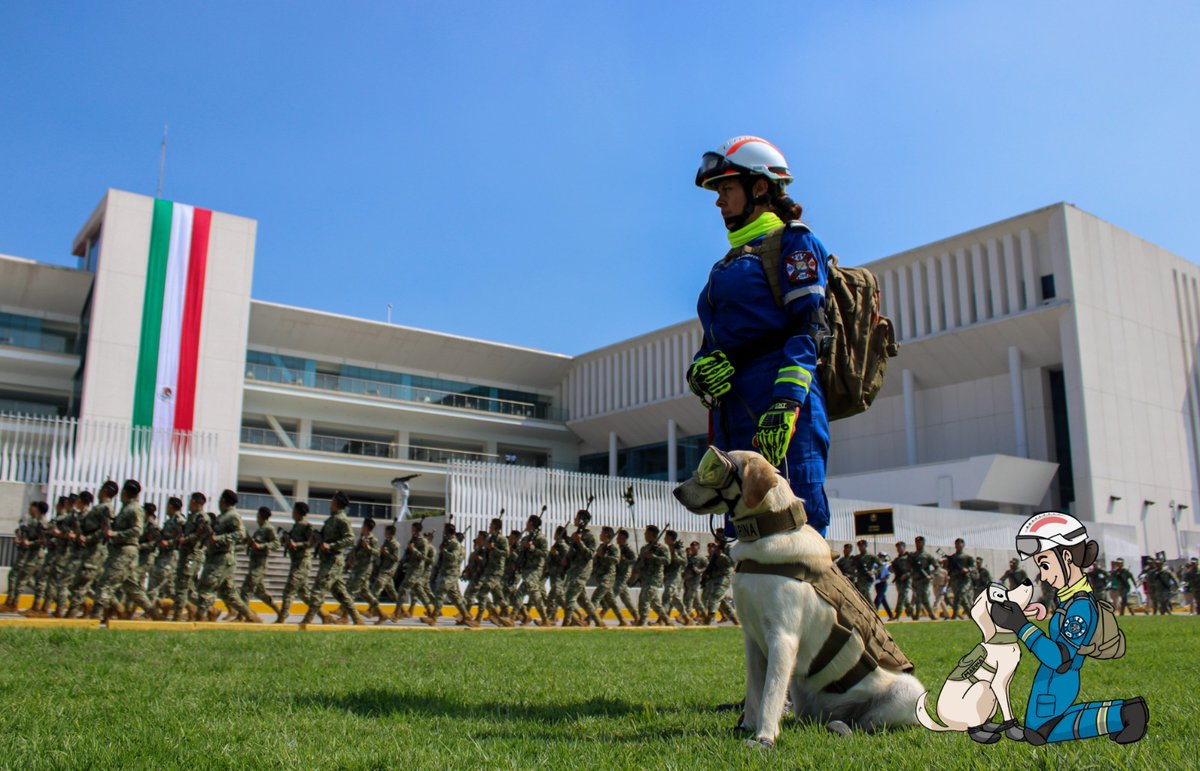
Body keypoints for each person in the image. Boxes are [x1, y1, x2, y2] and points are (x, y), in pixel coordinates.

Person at [689, 136, 832, 538]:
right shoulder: (724, 265)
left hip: (783, 406)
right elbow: (715, 342)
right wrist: (700, 368)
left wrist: (786, 405)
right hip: (733, 410)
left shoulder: (793, 241)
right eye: (717, 192)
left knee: (794, 528)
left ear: (760, 188)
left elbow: (811, 329)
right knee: (745, 531)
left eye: (726, 189)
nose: (719, 201)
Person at [989, 512, 1147, 745]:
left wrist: (1020, 625)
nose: (1042, 575)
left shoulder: (1080, 607)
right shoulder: (1069, 600)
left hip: (1060, 677)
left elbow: (1060, 658)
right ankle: (1124, 714)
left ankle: (1125, 714)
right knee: (1037, 729)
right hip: (1051, 678)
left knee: (1041, 732)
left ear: (1066, 556)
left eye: (1044, 564)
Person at [93, 480, 163, 622]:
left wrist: (115, 534)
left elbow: (137, 530)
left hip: (124, 551)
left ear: (125, 493)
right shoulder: (126, 508)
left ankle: (95, 617)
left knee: (105, 584)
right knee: (133, 588)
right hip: (121, 551)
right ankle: (155, 615)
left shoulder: (134, 509)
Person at [194, 490, 260, 623]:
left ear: (223, 500)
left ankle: (200, 619)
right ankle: (252, 617)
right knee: (228, 594)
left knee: (205, 588)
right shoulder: (222, 516)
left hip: (222, 559)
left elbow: (241, 534)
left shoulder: (232, 516)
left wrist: (219, 539)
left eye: (220, 499)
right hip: (216, 556)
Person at [299, 492, 364, 625]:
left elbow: (350, 538)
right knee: (341, 594)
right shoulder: (331, 519)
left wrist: (332, 546)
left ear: (336, 503)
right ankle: (358, 619)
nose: (330, 504)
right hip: (328, 560)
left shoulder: (341, 519)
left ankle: (306, 622)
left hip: (333, 561)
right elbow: (325, 538)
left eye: (332, 501)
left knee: (318, 589)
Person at [66, 483, 117, 618]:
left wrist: (88, 538)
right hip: (91, 550)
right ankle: (116, 607)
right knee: (93, 584)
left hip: (96, 551)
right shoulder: (99, 507)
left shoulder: (105, 508)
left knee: (81, 583)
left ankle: (71, 615)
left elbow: (105, 529)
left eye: (101, 489)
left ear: (105, 491)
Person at [424, 524, 474, 627]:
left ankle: (434, 617)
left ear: (448, 531)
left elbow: (454, 557)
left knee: (441, 592)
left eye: (445, 530)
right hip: (446, 572)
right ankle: (466, 615)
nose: (443, 532)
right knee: (454, 596)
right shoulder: (448, 542)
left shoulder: (455, 543)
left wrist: (444, 551)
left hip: (451, 573)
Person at [170, 492, 210, 621]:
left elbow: (199, 535)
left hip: (193, 555)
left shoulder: (202, 518)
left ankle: (177, 615)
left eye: (191, 501)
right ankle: (209, 610)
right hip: (185, 554)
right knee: (189, 588)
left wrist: (184, 540)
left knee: (182, 585)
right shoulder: (191, 517)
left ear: (195, 502)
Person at [561, 510, 601, 627]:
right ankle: (599, 621)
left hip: (583, 570)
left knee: (570, 596)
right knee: (583, 600)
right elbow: (573, 551)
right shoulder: (577, 534)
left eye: (577, 518)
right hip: (574, 570)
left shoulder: (591, 536)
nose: (575, 520)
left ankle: (566, 623)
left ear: (583, 521)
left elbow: (590, 555)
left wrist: (580, 542)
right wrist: (566, 559)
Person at [277, 502, 315, 623]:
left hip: (302, 562)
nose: (292, 513)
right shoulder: (296, 526)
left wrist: (296, 544)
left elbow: (312, 543)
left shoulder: (306, 526)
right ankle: (324, 615)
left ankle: (282, 617)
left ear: (298, 512)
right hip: (296, 562)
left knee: (289, 589)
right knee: (303, 594)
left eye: (294, 510)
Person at [240, 507, 281, 619]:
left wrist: (261, 546)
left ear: (261, 515)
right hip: (254, 564)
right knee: (260, 593)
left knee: (246, 590)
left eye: (258, 515)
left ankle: (243, 616)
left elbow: (276, 543)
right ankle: (280, 612)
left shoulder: (268, 528)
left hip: (259, 565)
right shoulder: (260, 529)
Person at [147, 497, 183, 608]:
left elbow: (181, 538)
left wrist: (168, 543)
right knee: (170, 588)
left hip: (169, 556)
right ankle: (191, 607)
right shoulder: (170, 520)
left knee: (154, 584)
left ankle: (150, 612)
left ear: (171, 506)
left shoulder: (179, 520)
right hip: (164, 555)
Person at [632, 524, 671, 626]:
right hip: (645, 578)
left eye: (646, 533)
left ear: (651, 534)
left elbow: (667, 561)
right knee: (655, 603)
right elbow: (639, 561)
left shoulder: (662, 547)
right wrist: (635, 571)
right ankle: (667, 620)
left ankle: (642, 620)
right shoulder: (644, 548)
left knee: (644, 598)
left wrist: (653, 556)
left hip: (654, 577)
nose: (645, 535)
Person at [344, 517, 382, 621]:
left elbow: (377, 553)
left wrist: (367, 547)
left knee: (351, 592)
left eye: (362, 526)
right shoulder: (361, 538)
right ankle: (381, 614)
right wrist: (349, 561)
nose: (361, 528)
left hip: (364, 569)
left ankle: (345, 617)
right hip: (357, 567)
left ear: (365, 527)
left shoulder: (373, 540)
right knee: (365, 593)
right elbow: (355, 551)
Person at [514, 514, 549, 625]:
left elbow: (544, 553)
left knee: (520, 592)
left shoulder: (541, 538)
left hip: (536, 570)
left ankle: (511, 617)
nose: (526, 524)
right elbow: (520, 551)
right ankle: (545, 620)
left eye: (528, 522)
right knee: (535, 595)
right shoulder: (526, 538)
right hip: (526, 570)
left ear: (531, 524)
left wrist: (532, 548)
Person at [590, 526, 624, 627]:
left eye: (602, 533)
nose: (600, 535)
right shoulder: (601, 546)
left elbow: (616, 560)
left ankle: (589, 619)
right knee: (611, 601)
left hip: (608, 577)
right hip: (600, 576)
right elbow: (596, 562)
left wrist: (603, 556)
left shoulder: (614, 547)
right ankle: (622, 620)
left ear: (607, 535)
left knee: (595, 598)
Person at [661, 530, 692, 626]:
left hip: (675, 576)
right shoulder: (665, 548)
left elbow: (684, 562)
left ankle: (661, 620)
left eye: (667, 537)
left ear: (671, 539)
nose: (664, 539)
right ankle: (686, 617)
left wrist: (675, 554)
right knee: (674, 598)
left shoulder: (679, 549)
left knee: (667, 595)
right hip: (667, 576)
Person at [613, 529, 640, 625]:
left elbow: (635, 560)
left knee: (612, 596)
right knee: (626, 599)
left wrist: (624, 560)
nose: (617, 539)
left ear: (624, 538)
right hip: (618, 574)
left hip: (624, 574)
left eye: (619, 537)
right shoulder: (619, 548)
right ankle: (637, 617)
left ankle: (600, 616)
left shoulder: (628, 549)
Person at [909, 535, 936, 621]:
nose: (918, 544)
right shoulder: (913, 556)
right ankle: (919, 615)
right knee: (918, 597)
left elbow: (937, 567)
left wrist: (931, 575)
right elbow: (908, 567)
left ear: (923, 543)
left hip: (924, 580)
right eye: (916, 542)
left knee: (923, 596)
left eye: (920, 542)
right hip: (915, 580)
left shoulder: (927, 556)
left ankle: (930, 615)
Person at [891, 541, 913, 620]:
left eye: (900, 547)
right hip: (899, 581)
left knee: (902, 596)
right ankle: (911, 612)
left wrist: (907, 575)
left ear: (904, 548)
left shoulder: (909, 557)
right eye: (897, 548)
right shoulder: (896, 560)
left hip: (907, 580)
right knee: (904, 598)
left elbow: (914, 568)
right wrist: (891, 568)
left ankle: (897, 615)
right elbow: (892, 570)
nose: (898, 549)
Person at [873, 553, 894, 621]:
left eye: (881, 557)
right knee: (883, 601)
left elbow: (887, 576)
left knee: (878, 600)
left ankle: (874, 616)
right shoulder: (876, 565)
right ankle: (891, 615)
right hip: (877, 584)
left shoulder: (886, 565)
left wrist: (881, 580)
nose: (879, 558)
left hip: (882, 584)